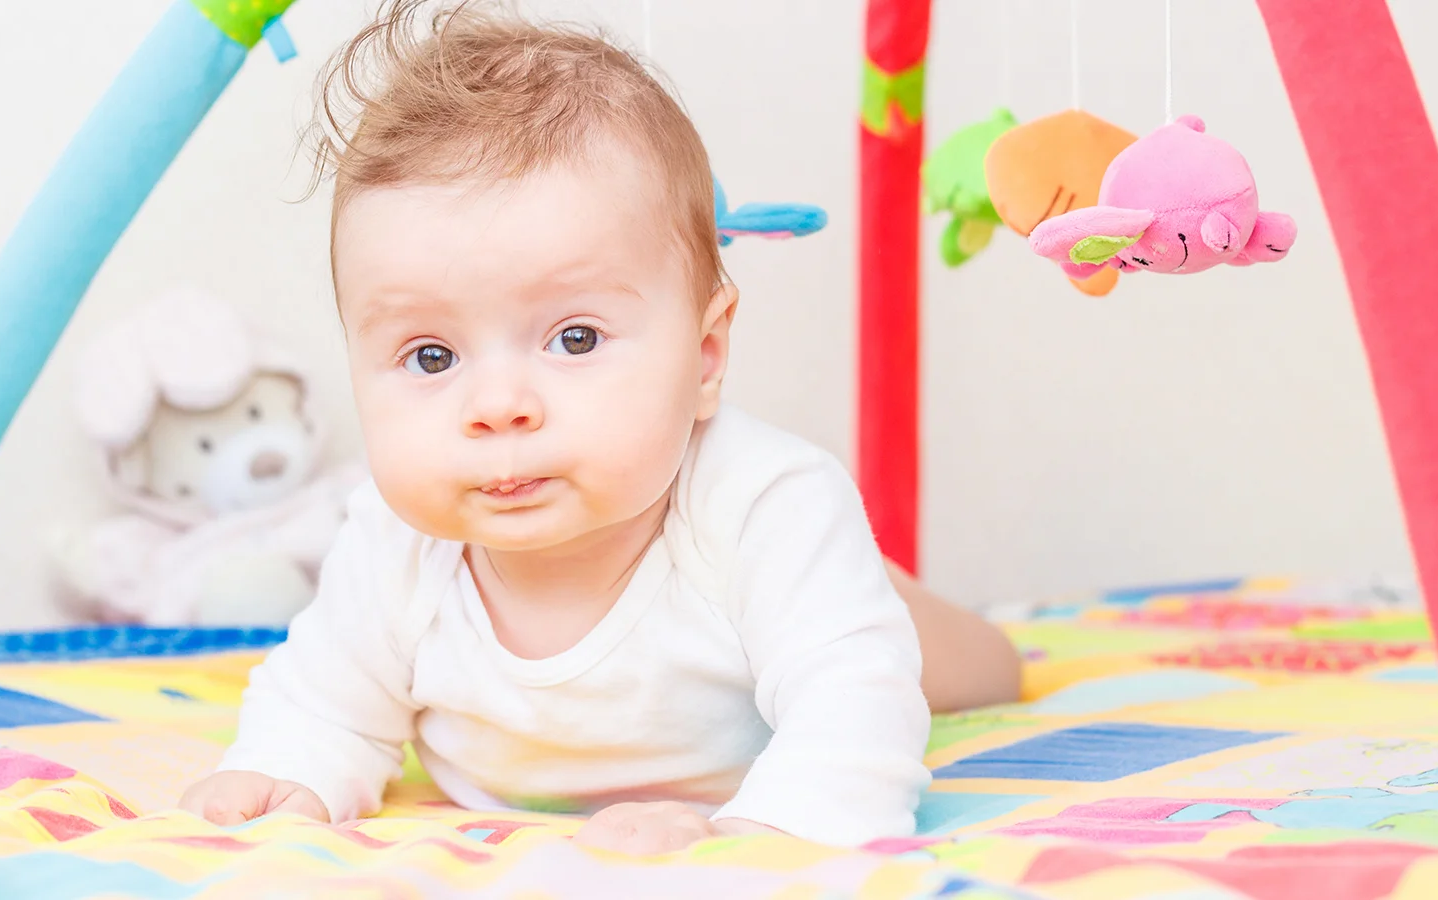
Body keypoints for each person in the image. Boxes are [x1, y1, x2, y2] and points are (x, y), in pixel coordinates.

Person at [179, 1, 1020, 854]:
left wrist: (760, 832)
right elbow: (327, 705)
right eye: (432, 356)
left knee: (941, 657)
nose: (497, 406)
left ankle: (897, 598)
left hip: (807, 611)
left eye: (574, 339)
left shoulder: (766, 507)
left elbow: (856, 709)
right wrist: (286, 770)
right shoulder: (394, 544)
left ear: (703, 356)